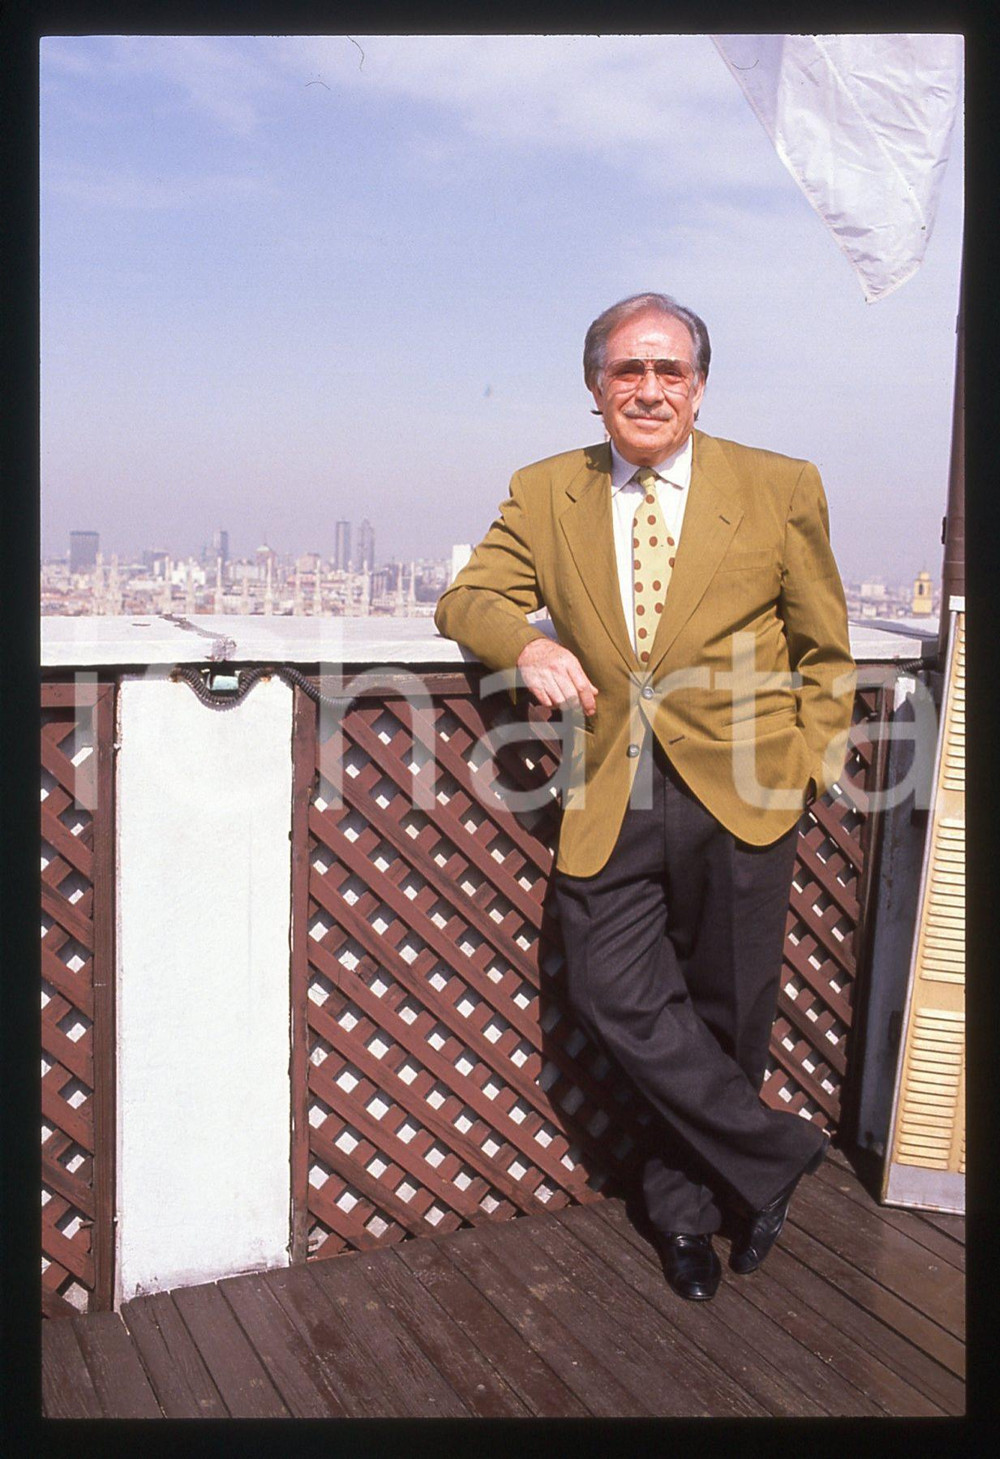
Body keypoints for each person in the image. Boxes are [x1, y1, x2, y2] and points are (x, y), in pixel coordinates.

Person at [434, 292, 855, 1301]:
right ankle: (776, 1154)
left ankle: (687, 1213)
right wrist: (529, 641)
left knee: (728, 1008)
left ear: (699, 388)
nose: (650, 389)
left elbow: (823, 647)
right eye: (629, 371)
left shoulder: (778, 484)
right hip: (611, 783)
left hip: (745, 786)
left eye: (670, 371)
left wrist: (807, 770)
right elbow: (467, 597)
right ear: (595, 389)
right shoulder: (546, 492)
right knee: (613, 990)